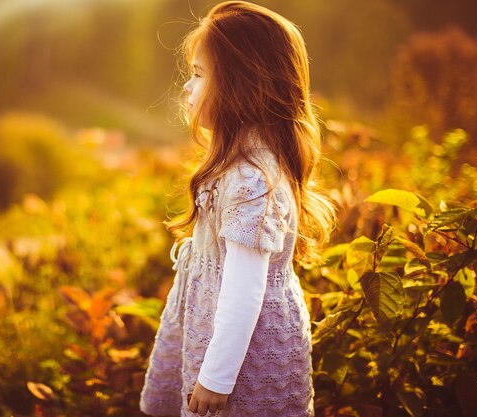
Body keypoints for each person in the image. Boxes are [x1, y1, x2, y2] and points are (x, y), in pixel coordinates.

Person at [139, 2, 338, 416]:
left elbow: (245, 290)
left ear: (240, 84)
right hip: (215, 334)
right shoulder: (239, 163)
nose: (187, 88)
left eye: (197, 74)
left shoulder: (251, 179)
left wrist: (216, 378)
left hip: (241, 358)